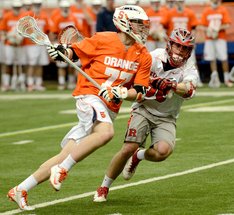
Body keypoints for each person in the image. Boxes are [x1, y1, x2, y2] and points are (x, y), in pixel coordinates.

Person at [7, 5, 151, 211]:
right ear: (123, 22)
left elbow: (140, 91)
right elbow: (73, 52)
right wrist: (60, 52)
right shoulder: (103, 39)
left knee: (65, 153)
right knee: (106, 133)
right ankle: (62, 170)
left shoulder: (142, 54)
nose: (142, 28)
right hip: (89, 96)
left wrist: (120, 93)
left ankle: (20, 189)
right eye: (137, 23)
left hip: (110, 106)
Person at [93, 28, 198, 202]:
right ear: (169, 45)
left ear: (189, 51)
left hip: (167, 116)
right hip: (144, 108)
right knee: (128, 148)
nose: (180, 50)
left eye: (185, 48)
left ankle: (138, 156)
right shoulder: (154, 57)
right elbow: (135, 78)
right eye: (177, 46)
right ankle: (104, 186)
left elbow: (189, 90)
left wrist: (170, 85)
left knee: (163, 151)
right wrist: (151, 81)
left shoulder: (189, 68)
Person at [159, 0, 202, 87]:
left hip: (186, 44)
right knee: (169, 61)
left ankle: (196, 79)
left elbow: (194, 28)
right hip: (174, 44)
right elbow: (162, 25)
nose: (179, 3)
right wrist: (161, 33)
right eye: (178, 1)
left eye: (181, 1)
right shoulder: (170, 13)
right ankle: (167, 80)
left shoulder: (189, 13)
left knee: (192, 62)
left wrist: (193, 41)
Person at [199, 0, 232, 88]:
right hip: (209, 38)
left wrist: (218, 28)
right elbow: (202, 26)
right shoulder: (207, 11)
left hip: (220, 37)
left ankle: (226, 79)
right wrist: (209, 30)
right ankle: (215, 78)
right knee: (211, 58)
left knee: (223, 58)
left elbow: (227, 24)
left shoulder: (223, 10)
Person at [50, 0, 82, 90]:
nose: (65, 9)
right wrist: (55, 44)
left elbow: (79, 30)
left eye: (66, 7)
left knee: (74, 64)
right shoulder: (57, 18)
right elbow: (54, 32)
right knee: (62, 65)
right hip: (62, 46)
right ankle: (62, 83)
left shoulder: (74, 18)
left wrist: (78, 42)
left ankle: (73, 82)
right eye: (63, 7)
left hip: (73, 45)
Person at [0, 0, 26, 92]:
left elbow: (26, 30)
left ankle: (22, 82)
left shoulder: (23, 17)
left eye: (18, 7)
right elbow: (3, 30)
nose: (17, 9)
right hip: (9, 44)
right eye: (15, 7)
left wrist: (21, 37)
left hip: (21, 44)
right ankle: (6, 84)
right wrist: (9, 37)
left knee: (22, 63)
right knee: (8, 63)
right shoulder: (7, 17)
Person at [26, 0, 51, 91]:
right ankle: (30, 84)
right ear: (32, 5)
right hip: (31, 44)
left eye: (39, 4)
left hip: (42, 43)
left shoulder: (44, 15)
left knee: (40, 64)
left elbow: (48, 29)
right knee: (32, 64)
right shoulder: (28, 15)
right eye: (36, 4)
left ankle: (39, 83)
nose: (37, 6)